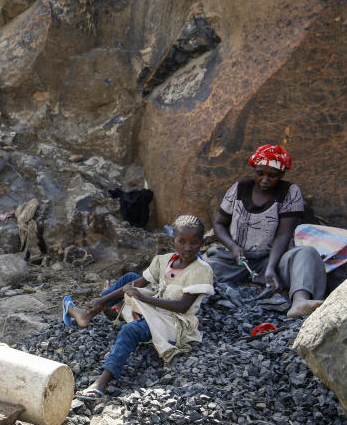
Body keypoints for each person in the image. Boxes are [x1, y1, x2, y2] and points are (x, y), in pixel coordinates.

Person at [63, 215, 214, 400]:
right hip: (157, 307)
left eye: (194, 243)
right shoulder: (164, 260)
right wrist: (103, 300)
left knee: (131, 330)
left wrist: (143, 298)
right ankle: (88, 313)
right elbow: (139, 283)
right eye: (182, 242)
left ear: (202, 243)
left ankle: (101, 382)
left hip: (174, 322)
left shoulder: (201, 270)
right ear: (172, 240)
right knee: (129, 278)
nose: (188, 248)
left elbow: (183, 306)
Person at [207, 144, 326, 318]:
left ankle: (299, 301)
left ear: (282, 175)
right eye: (260, 173)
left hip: (273, 260)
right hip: (238, 260)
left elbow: (284, 234)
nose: (265, 180)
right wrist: (233, 247)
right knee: (203, 268)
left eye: (273, 175)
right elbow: (219, 224)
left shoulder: (290, 193)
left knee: (306, 254)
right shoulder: (240, 189)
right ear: (254, 170)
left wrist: (270, 267)